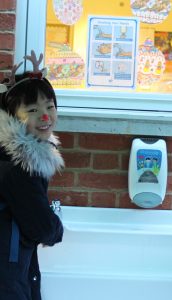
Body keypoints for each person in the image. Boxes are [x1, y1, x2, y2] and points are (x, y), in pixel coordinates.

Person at [0, 50, 64, 300]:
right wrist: (56, 227)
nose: (45, 116)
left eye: (49, 106)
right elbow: (42, 227)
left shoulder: (12, 154)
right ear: (14, 116)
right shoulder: (18, 165)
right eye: (33, 110)